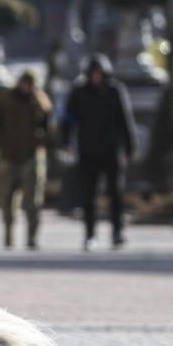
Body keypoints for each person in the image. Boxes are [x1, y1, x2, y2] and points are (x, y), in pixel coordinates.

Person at [61, 54, 136, 251]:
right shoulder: (78, 92)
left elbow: (125, 120)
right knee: (88, 195)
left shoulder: (115, 91)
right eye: (93, 73)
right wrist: (65, 141)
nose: (96, 77)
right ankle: (89, 234)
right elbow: (67, 119)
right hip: (88, 150)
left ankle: (117, 232)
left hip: (111, 150)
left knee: (116, 194)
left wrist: (129, 146)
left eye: (99, 73)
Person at [0, 69, 53, 249]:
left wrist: (42, 141)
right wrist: (2, 141)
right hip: (9, 156)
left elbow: (48, 126)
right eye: (25, 83)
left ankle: (32, 238)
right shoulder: (5, 99)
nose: (27, 87)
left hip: (32, 155)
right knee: (7, 198)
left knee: (33, 200)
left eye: (31, 84)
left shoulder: (40, 100)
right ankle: (8, 238)